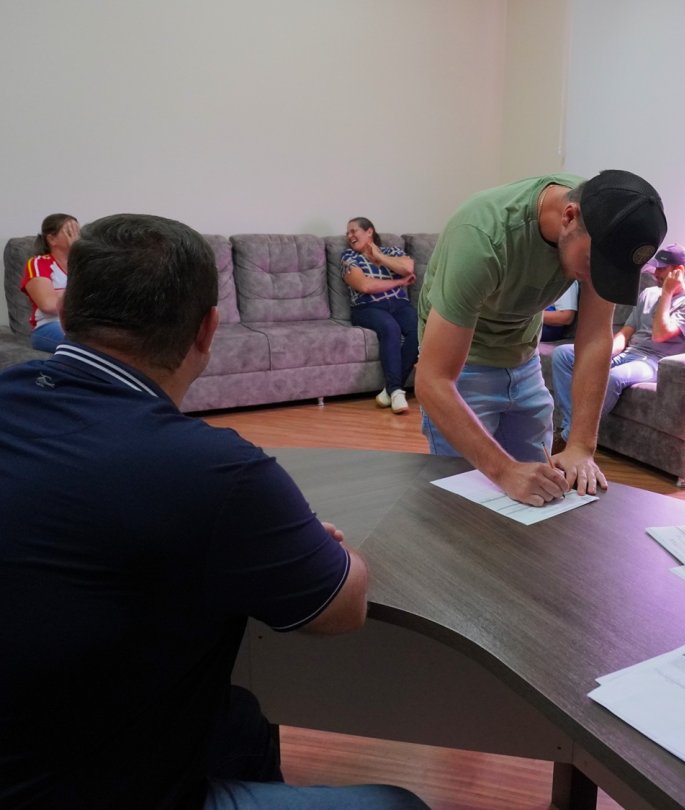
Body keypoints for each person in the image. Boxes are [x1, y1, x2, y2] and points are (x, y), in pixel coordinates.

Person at [0, 214, 427, 810]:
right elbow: (344, 605)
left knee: (240, 720)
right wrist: (319, 546)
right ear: (208, 330)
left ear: (67, 316)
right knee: (399, 806)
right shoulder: (217, 472)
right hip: (92, 788)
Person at [415, 170, 667, 506]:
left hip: (523, 358)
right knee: (463, 505)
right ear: (569, 217)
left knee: (540, 494)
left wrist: (581, 446)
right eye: (593, 263)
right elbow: (432, 381)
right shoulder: (482, 237)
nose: (596, 278)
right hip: (464, 365)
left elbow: (595, 337)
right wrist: (504, 470)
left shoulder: (603, 226)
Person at [550, 242, 685, 446]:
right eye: (655, 267)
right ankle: (571, 427)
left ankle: (569, 438)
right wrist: (606, 352)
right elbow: (627, 330)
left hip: (655, 362)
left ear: (679, 271)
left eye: (661, 269)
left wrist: (667, 293)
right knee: (563, 355)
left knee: (613, 377)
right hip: (630, 352)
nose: (655, 273)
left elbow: (659, 335)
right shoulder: (648, 293)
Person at [342, 216, 418, 414]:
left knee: (419, 331)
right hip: (367, 307)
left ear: (369, 231)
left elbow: (408, 268)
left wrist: (379, 256)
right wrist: (399, 282)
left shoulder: (393, 252)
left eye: (353, 231)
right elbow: (365, 286)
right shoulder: (349, 257)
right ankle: (396, 391)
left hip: (400, 305)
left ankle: (390, 390)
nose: (349, 236)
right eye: (347, 233)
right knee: (390, 328)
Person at [21, 212, 79, 352]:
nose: (77, 238)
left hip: (81, 324)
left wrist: (59, 293)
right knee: (89, 345)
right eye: (70, 232)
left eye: (78, 231)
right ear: (52, 239)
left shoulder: (84, 263)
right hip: (48, 326)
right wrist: (81, 293)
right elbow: (49, 305)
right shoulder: (38, 263)